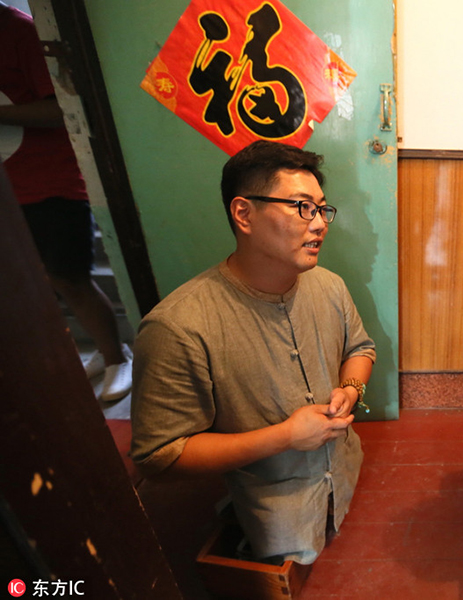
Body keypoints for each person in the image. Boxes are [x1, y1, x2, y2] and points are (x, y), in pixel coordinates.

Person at [130, 140, 375, 565]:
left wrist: (351, 390)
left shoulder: (329, 286)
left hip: (346, 475)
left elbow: (360, 347)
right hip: (273, 511)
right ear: (244, 214)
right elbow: (159, 456)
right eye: (302, 207)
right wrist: (284, 436)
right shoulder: (178, 326)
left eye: (321, 208)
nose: (319, 224)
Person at [0, 2, 132, 401]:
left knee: (68, 277)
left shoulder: (21, 31)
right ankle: (95, 357)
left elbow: (62, 106)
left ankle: (116, 358)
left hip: (52, 180)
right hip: (10, 184)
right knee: (35, 283)